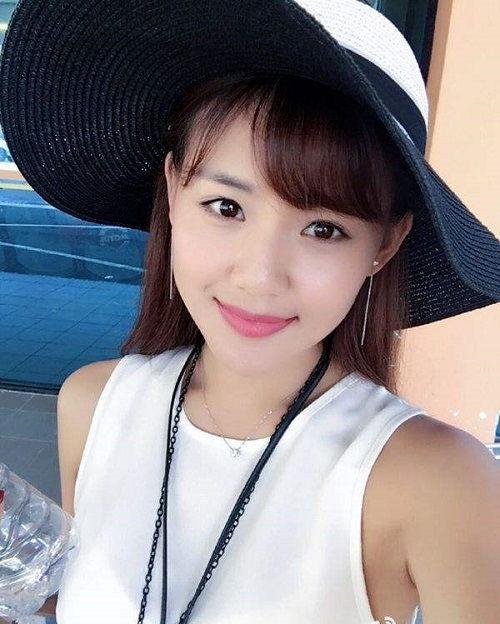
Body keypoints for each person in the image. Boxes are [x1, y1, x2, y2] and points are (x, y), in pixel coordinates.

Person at [0, 1, 499, 623]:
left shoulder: (439, 482)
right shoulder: (92, 404)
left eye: (324, 228)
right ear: (173, 191)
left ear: (385, 245)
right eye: (227, 208)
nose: (259, 277)